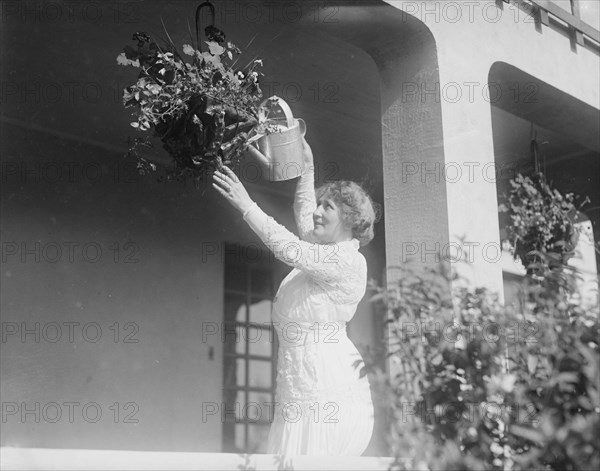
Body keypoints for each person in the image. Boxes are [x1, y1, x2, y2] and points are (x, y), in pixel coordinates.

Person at [212, 137, 377, 456]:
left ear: (348, 220)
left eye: (327, 207)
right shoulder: (323, 249)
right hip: (297, 375)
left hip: (323, 378)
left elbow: (287, 247)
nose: (317, 212)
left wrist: (247, 205)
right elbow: (304, 217)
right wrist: (307, 168)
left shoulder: (345, 259)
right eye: (319, 204)